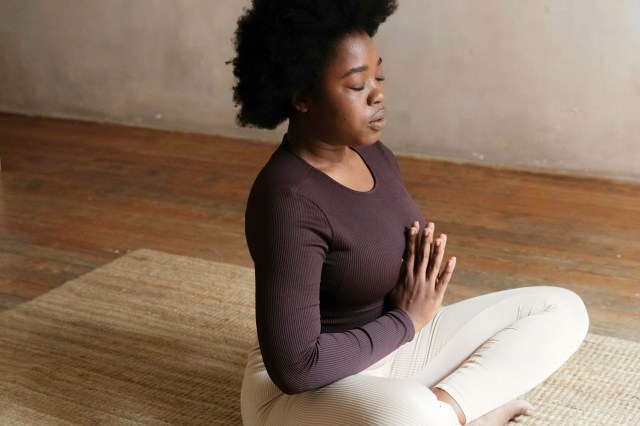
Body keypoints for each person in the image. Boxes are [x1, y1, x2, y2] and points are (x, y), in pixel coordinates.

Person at [231, 1, 589, 425]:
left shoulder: (374, 155)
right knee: (409, 412)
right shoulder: (287, 199)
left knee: (561, 310)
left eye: (378, 76)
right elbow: (295, 367)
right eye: (356, 85)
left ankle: (449, 411)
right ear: (302, 96)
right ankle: (461, 413)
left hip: (393, 348)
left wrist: (409, 322)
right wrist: (406, 320)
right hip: (304, 391)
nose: (378, 94)